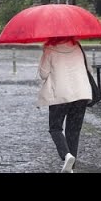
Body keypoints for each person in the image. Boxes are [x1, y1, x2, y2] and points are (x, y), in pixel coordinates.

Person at [37, 36, 93, 173]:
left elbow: (43, 74)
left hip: (60, 95)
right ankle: (71, 167)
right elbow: (89, 69)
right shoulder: (78, 47)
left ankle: (66, 155)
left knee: (55, 128)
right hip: (81, 93)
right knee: (73, 131)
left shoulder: (49, 49)